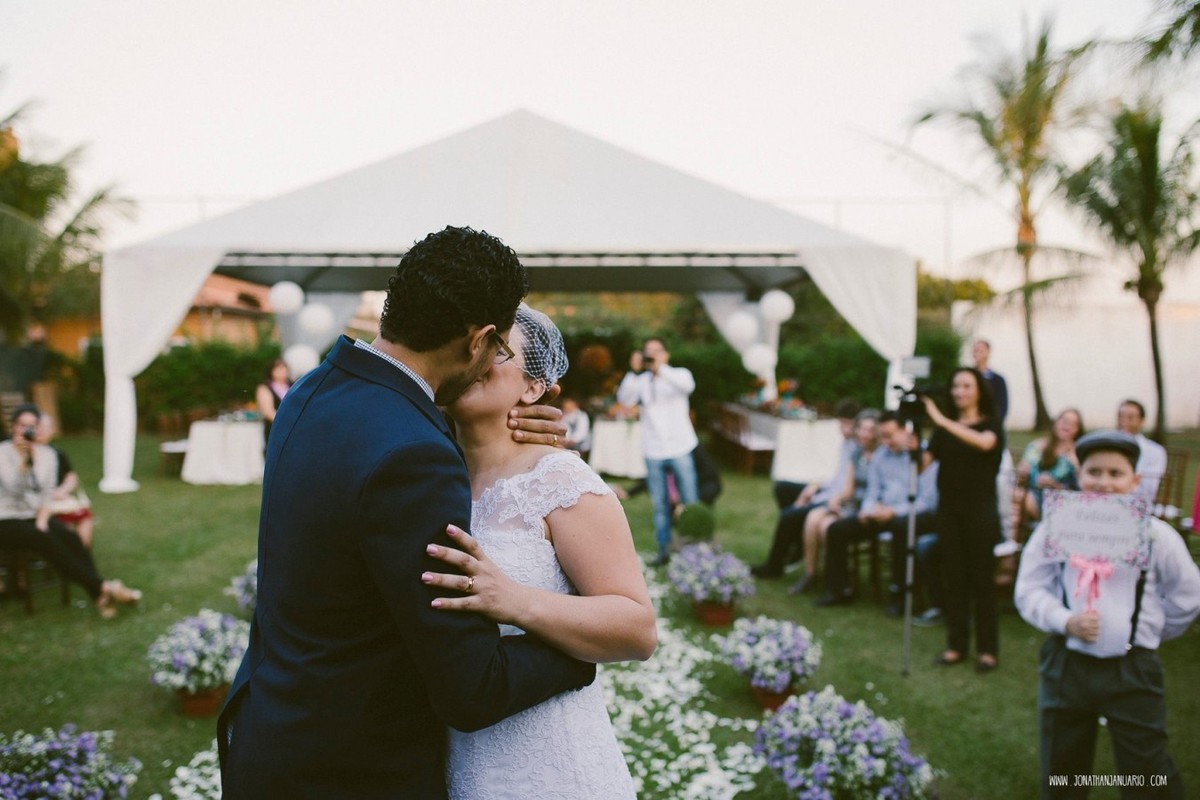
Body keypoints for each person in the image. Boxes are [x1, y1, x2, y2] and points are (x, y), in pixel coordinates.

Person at [218, 226, 595, 799]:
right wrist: (580, 655)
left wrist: (505, 431)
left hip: (268, 736)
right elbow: (471, 689)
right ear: (479, 340)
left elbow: (378, 450)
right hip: (352, 771)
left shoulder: (315, 390)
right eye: (497, 351)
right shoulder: (416, 456)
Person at [421, 303, 655, 799]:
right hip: (464, 761)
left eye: (499, 348)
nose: (479, 356)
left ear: (533, 388)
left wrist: (514, 599)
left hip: (553, 764)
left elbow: (638, 628)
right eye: (475, 344)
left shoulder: (559, 479)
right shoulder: (429, 479)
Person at [1015, 430, 1200, 799]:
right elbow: (1029, 588)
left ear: (1135, 480)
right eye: (1094, 472)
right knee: (1063, 766)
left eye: (1116, 474)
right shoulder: (1058, 526)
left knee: (1146, 770)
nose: (1104, 483)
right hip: (1068, 665)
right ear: (1079, 476)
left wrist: (1146, 634)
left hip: (1133, 670)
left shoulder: (1155, 535)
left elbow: (1188, 596)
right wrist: (1063, 619)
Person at [0, 404, 140, 618]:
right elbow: (12, 489)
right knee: (44, 539)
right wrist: (22, 461)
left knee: (71, 538)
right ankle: (105, 589)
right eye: (22, 426)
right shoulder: (3, 453)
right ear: (13, 427)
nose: (26, 431)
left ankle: (100, 595)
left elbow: (47, 492)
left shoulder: (47, 454)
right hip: (7, 517)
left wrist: (44, 517)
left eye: (32, 426)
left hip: (35, 514)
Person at [922, 367, 1004, 673]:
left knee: (982, 581)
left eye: (966, 386)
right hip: (949, 512)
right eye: (955, 386)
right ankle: (957, 645)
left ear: (979, 390)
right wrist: (909, 441)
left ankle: (987, 649)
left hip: (980, 512)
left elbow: (985, 443)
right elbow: (923, 464)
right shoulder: (945, 429)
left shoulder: (991, 424)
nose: (959, 392)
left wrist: (941, 421)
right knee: (954, 579)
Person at [815, 412, 938, 615]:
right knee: (837, 529)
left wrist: (893, 511)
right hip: (881, 512)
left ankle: (899, 594)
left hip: (913, 514)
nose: (886, 441)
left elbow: (927, 501)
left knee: (901, 528)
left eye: (890, 435)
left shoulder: (922, 455)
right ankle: (839, 589)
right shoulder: (881, 455)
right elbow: (873, 491)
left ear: (904, 430)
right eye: (883, 436)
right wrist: (867, 511)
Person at [752, 398, 861, 581]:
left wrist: (816, 498)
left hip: (838, 499)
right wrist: (813, 487)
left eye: (844, 423)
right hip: (828, 490)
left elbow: (848, 486)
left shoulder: (860, 448)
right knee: (783, 488)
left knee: (789, 515)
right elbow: (836, 477)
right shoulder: (845, 444)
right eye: (839, 423)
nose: (840, 428)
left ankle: (774, 566)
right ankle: (799, 542)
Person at [616, 337, 700, 565]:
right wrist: (633, 372)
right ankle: (664, 550)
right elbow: (625, 399)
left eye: (656, 351)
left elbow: (688, 387)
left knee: (690, 501)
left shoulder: (679, 374)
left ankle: (694, 551)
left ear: (666, 354)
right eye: (647, 352)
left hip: (680, 445)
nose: (651, 355)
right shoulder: (641, 380)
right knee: (660, 504)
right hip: (653, 449)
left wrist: (659, 368)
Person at [790, 409, 880, 594]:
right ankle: (810, 573)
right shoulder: (857, 454)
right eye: (862, 429)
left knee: (825, 527)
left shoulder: (881, 455)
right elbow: (848, 488)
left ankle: (835, 577)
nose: (864, 434)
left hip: (867, 507)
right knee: (812, 518)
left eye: (870, 430)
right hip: (851, 502)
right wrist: (836, 500)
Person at [1013, 408, 1084, 529]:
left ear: (1077, 430)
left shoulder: (1077, 454)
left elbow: (1081, 490)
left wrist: (1055, 485)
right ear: (1055, 422)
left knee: (1019, 498)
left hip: (1060, 504)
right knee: (1017, 494)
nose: (1067, 426)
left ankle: (1013, 542)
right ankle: (1012, 541)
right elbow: (1020, 480)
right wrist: (1022, 474)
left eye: (1073, 424)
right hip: (1031, 497)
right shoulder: (1036, 447)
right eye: (1064, 420)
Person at [34, 413, 95, 549]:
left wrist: (62, 491)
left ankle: (81, 552)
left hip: (57, 498)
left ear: (52, 431)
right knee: (63, 523)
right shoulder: (26, 454)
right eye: (38, 426)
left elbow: (71, 477)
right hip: (38, 501)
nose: (42, 430)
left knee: (85, 517)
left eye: (46, 427)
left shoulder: (57, 453)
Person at [1116, 399, 1168, 504]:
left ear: (1141, 421)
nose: (1124, 422)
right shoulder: (1107, 447)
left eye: (1130, 418)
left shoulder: (1155, 452)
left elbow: (1149, 491)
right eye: (1121, 417)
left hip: (1138, 504)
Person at [255, 357, 292, 445]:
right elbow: (268, 411)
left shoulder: (293, 385)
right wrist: (286, 422)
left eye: (284, 368)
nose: (282, 371)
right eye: (278, 368)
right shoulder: (265, 387)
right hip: (276, 427)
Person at [972, 339, 1008, 425]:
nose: (977, 353)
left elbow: (1003, 405)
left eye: (980, 350)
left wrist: (996, 424)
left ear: (988, 352)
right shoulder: (967, 377)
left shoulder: (998, 380)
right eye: (975, 350)